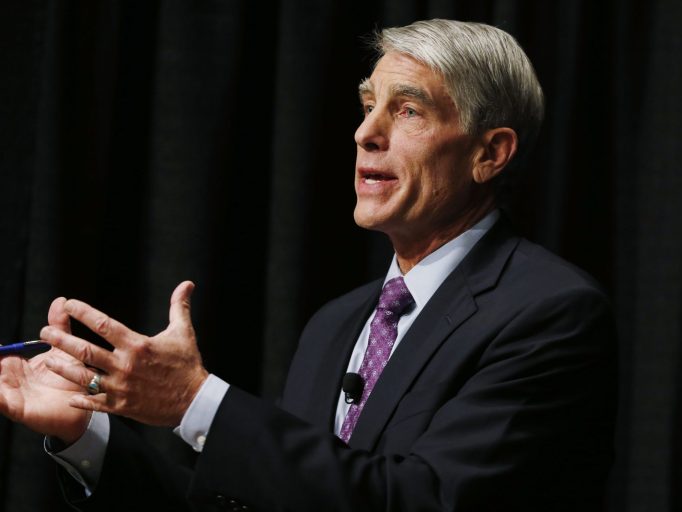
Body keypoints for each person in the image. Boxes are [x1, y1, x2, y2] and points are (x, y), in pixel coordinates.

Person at [0, 19, 616, 511]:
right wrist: (86, 436)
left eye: (407, 111)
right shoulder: (337, 324)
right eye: (368, 105)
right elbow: (256, 495)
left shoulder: (550, 314)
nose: (365, 133)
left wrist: (196, 402)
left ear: (490, 153)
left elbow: (424, 499)